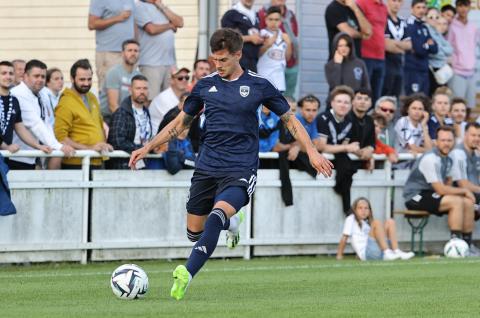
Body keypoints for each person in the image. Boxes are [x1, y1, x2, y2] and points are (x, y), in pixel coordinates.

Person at [128, 28, 333, 300]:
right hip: (207, 166)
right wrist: (148, 147)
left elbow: (290, 120)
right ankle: (233, 223)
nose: (218, 65)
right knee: (195, 233)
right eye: (215, 59)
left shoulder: (260, 85)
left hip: (240, 168)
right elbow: (180, 123)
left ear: (238, 55)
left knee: (216, 215)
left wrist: (311, 152)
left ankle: (186, 273)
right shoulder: (204, 85)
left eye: (223, 60)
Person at [403, 126, 477, 255]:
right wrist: (464, 191)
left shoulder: (450, 158)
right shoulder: (431, 158)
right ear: (436, 142)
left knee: (468, 203)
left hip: (431, 194)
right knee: (457, 201)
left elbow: (448, 183)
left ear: (454, 141)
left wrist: (464, 194)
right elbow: (441, 189)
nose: (446, 143)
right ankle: (455, 244)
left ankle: (467, 245)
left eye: (449, 140)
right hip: (415, 196)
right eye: (443, 140)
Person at [10, 60, 74, 170]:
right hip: (17, 157)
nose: (40, 80)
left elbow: (48, 123)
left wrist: (54, 145)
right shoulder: (18, 94)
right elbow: (35, 124)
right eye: (36, 76)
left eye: (43, 76)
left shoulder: (43, 93)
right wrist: (58, 146)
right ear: (25, 76)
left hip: (37, 155)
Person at [55, 59, 113, 169]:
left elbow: (100, 126)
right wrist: (90, 148)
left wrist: (103, 145)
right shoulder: (65, 102)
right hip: (76, 163)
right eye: (82, 79)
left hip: (97, 160)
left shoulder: (92, 97)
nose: (86, 83)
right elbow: (60, 138)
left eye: (89, 79)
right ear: (72, 79)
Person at [0, 61, 52, 169]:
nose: (8, 76)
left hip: (5, 158)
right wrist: (5, 146)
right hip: (6, 152)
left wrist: (37, 146)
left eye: (11, 73)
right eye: (3, 73)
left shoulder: (14, 100)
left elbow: (20, 128)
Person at [317, 85, 360, 214]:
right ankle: (346, 207)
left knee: (349, 167)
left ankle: (347, 207)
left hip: (337, 155)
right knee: (346, 166)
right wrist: (347, 147)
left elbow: (344, 144)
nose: (343, 105)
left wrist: (353, 149)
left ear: (351, 105)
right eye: (339, 101)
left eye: (346, 102)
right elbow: (322, 146)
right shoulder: (323, 118)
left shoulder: (349, 119)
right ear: (332, 103)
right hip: (320, 158)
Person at [336, 197, 414, 261]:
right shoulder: (351, 219)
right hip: (369, 253)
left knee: (390, 222)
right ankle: (387, 252)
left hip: (377, 250)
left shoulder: (366, 224)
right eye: (360, 208)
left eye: (366, 208)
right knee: (376, 223)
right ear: (355, 210)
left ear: (370, 211)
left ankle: (396, 251)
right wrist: (339, 255)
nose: (363, 211)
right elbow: (344, 237)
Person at [135, 0, 184, 99]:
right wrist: (170, 25)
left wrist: (160, 5)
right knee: (151, 99)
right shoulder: (139, 6)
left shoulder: (161, 8)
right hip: (151, 63)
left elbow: (180, 22)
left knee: (171, 100)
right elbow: (151, 29)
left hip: (169, 63)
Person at [88, 0, 135, 92]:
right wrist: (118, 18)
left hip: (128, 54)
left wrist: (136, 46)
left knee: (127, 92)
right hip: (109, 53)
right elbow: (92, 24)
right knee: (109, 91)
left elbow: (133, 23)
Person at [107, 75, 152, 170]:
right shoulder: (121, 112)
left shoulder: (146, 112)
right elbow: (117, 141)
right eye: (138, 88)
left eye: (145, 88)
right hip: (123, 166)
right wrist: (141, 148)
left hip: (142, 164)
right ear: (130, 90)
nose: (142, 92)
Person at [258, 0, 300, 98]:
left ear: (281, 21)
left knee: (278, 110)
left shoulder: (284, 36)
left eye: (276, 20)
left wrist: (289, 43)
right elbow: (257, 54)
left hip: (279, 82)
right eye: (271, 19)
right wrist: (268, 44)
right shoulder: (261, 34)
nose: (273, 22)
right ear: (265, 20)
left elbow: (287, 58)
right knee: (262, 110)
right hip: (263, 79)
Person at [99, 39, 142, 125]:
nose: (133, 53)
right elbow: (113, 105)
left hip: (129, 117)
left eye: (136, 51)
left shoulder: (138, 75)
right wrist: (128, 122)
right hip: (109, 118)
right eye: (129, 50)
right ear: (122, 53)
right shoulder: (114, 72)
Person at [447, 0, 480, 110]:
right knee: (456, 106)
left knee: (470, 106)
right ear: (456, 7)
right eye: (460, 6)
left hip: (471, 72)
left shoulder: (474, 27)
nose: (463, 9)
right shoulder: (451, 26)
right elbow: (448, 48)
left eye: (465, 5)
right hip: (457, 72)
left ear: (469, 7)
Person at [356, 0, 388, 103]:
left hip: (380, 56)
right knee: (364, 93)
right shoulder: (362, 3)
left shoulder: (383, 6)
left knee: (377, 96)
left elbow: (382, 29)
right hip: (365, 55)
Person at [404, 0, 438, 95]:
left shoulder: (424, 26)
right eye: (418, 7)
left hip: (424, 69)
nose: (421, 10)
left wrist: (425, 46)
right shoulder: (409, 25)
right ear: (412, 9)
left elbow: (435, 49)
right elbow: (419, 50)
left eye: (423, 7)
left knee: (424, 99)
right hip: (412, 70)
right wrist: (428, 45)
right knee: (413, 99)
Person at [221, 0, 263, 72]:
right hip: (238, 62)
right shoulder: (231, 14)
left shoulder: (256, 15)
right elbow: (227, 38)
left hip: (253, 63)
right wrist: (250, 38)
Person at [451, 123, 480, 223]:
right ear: (465, 135)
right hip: (460, 192)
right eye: (473, 135)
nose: (476, 139)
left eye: (479, 136)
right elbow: (463, 184)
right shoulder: (458, 153)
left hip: (475, 193)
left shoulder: (476, 152)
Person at [383, 0, 411, 98]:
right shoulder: (384, 19)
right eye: (394, 0)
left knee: (396, 95)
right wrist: (401, 46)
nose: (396, 4)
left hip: (398, 64)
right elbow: (386, 45)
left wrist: (394, 43)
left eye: (399, 1)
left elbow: (409, 45)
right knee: (385, 94)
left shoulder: (402, 22)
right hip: (385, 62)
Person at [149, 67, 190, 133]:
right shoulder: (164, 98)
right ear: (171, 80)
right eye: (180, 78)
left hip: (173, 134)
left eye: (187, 78)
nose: (184, 80)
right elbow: (173, 123)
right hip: (158, 137)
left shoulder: (186, 96)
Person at [425, 7, 453, 95]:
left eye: (436, 17)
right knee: (433, 97)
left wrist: (439, 48)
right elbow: (435, 52)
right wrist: (442, 52)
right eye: (431, 17)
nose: (434, 19)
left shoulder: (437, 32)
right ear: (426, 17)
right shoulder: (426, 31)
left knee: (442, 96)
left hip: (441, 70)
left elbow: (450, 50)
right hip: (431, 70)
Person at [349, 89, 375, 169]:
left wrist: (369, 151)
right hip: (343, 162)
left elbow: (371, 143)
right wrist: (362, 153)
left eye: (366, 99)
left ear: (370, 103)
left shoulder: (370, 120)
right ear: (352, 101)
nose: (362, 102)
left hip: (361, 164)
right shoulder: (345, 118)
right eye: (359, 98)